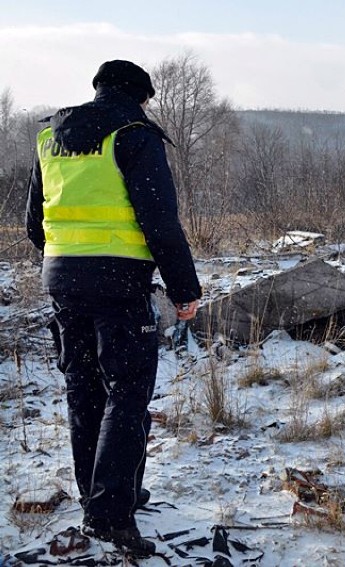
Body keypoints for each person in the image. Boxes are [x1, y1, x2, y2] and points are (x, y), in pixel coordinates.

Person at [26, 60, 201, 557]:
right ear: (140, 96)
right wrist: (184, 289)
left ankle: (104, 494)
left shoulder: (50, 137)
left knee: (84, 391)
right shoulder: (134, 134)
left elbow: (34, 224)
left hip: (62, 280)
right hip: (120, 283)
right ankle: (108, 514)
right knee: (126, 396)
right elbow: (160, 222)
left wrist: (66, 261)